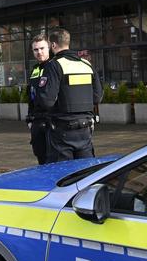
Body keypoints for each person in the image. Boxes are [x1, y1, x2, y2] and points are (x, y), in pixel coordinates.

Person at [31, 28, 102, 162]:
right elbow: (97, 97)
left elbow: (47, 101)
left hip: (62, 131)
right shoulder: (86, 64)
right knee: (85, 171)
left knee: (63, 175)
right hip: (85, 130)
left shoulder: (54, 65)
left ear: (53, 45)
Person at [25, 34, 53, 164]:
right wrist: (30, 119)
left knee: (53, 159)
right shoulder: (35, 70)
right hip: (37, 122)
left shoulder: (55, 67)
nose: (39, 52)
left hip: (53, 121)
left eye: (42, 48)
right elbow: (31, 95)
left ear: (50, 48)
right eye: (36, 50)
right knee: (40, 156)